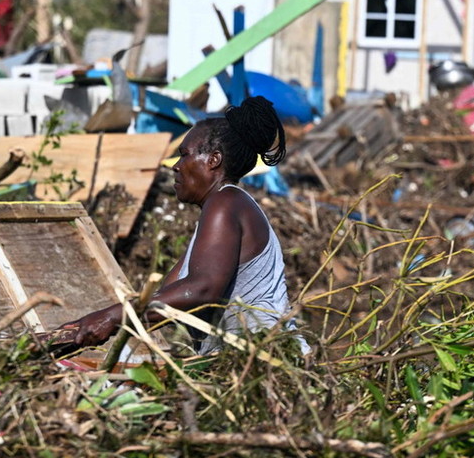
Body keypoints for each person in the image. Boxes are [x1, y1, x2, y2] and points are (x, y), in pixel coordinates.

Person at [53, 96, 303, 356]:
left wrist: (110, 317)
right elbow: (167, 304)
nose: (176, 166)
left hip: (266, 362)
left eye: (184, 155)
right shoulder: (220, 213)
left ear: (213, 160)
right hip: (239, 365)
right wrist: (83, 332)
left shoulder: (226, 202)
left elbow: (202, 288)